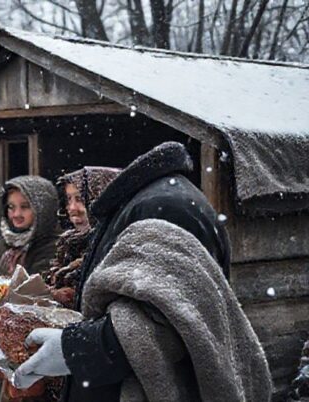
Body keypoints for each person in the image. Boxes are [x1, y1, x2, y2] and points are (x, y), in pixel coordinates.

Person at [14, 142, 272, 401]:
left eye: (79, 197)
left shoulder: (164, 206)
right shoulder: (146, 202)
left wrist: (74, 349)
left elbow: (167, 320)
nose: (73, 207)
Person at [0, 175, 60, 402]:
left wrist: (1, 285)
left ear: (42, 208)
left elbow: (36, 288)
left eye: (25, 207)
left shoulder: (53, 245)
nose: (16, 214)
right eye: (11, 207)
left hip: (33, 341)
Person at [47, 167, 120, 309]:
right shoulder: (68, 244)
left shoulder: (111, 248)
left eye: (80, 199)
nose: (72, 208)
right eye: (69, 199)